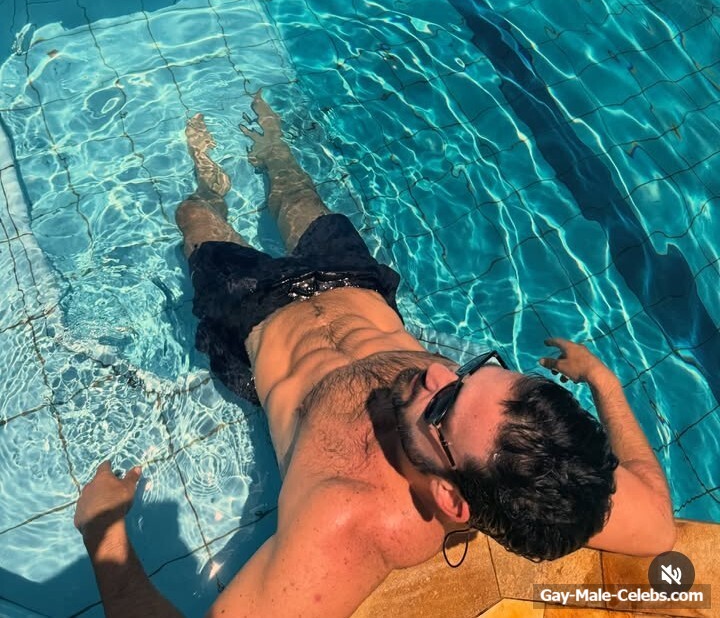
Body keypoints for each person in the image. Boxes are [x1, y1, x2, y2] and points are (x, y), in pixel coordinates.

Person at [74, 91, 676, 618]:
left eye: (443, 406)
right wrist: (602, 380)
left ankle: (212, 191)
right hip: (352, 282)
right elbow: (655, 523)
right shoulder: (533, 454)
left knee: (194, 217)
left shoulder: (349, 521)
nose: (436, 370)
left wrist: (103, 534)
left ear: (451, 498)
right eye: (476, 372)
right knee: (296, 192)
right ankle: (272, 152)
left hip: (253, 315)